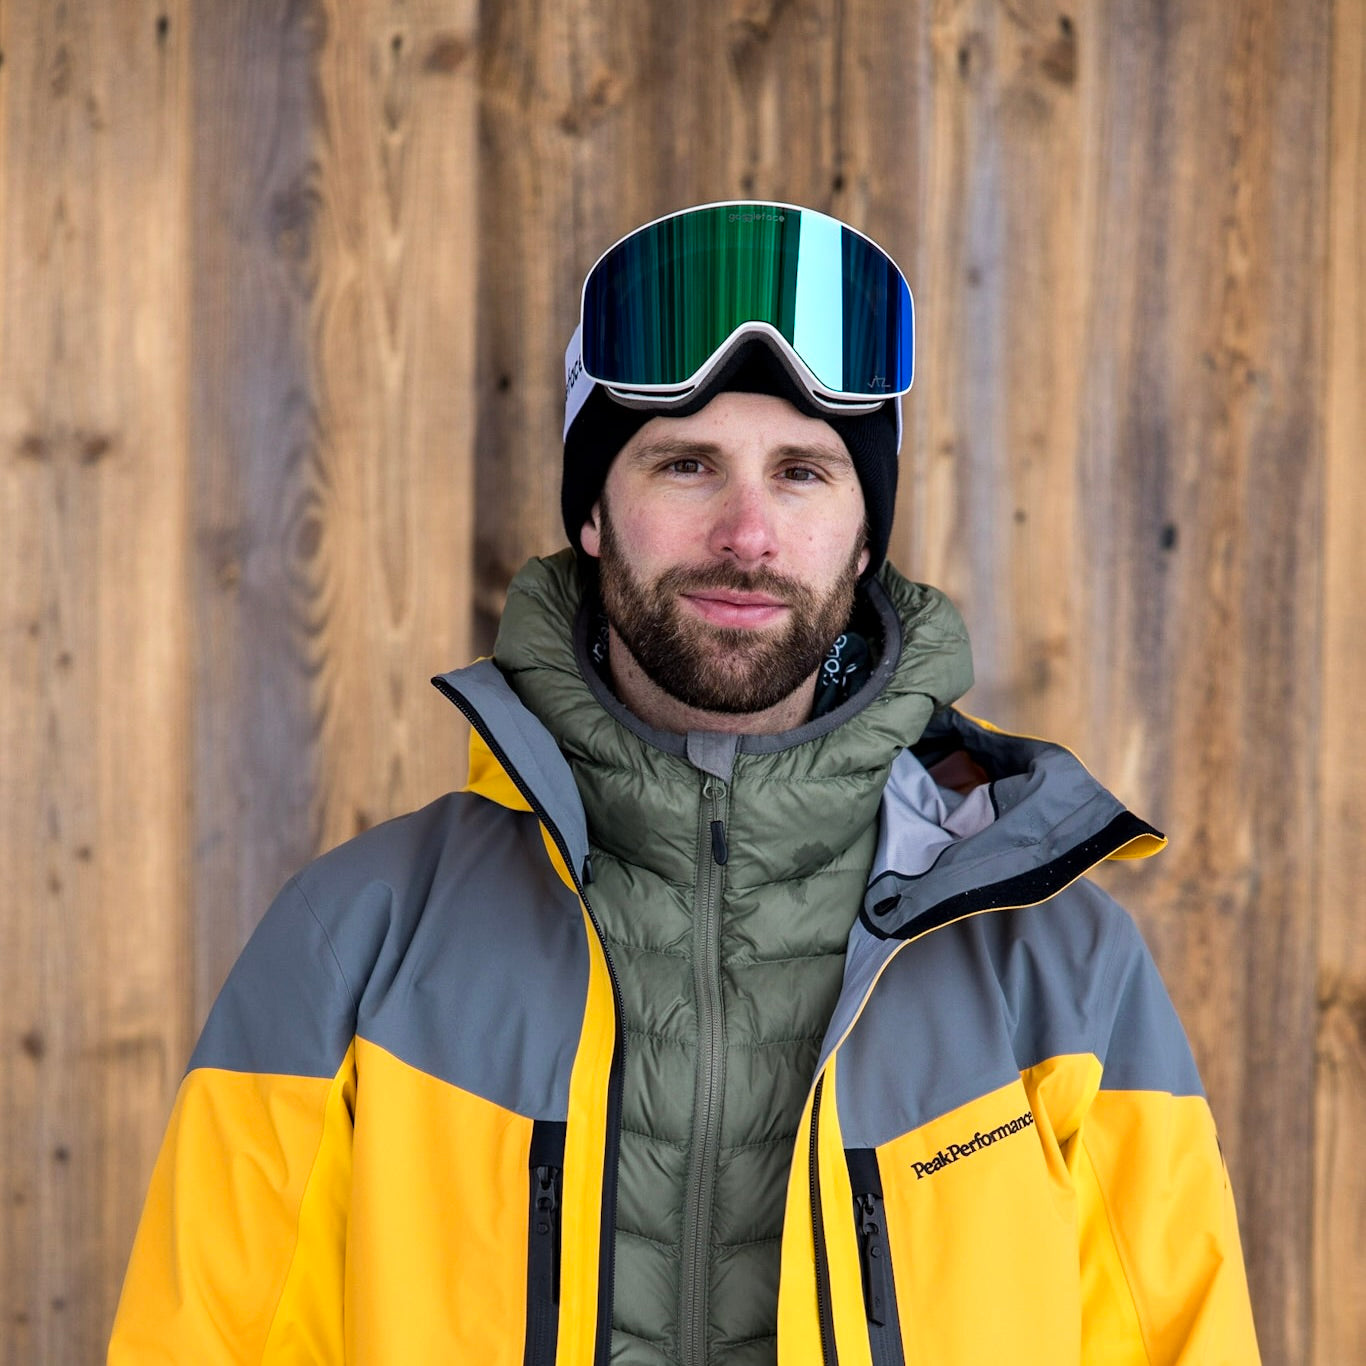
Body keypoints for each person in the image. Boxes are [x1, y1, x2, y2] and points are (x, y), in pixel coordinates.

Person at [109, 201, 1260, 1365]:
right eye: (685, 464)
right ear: (593, 515)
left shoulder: (1060, 975)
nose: (746, 533)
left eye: (802, 472)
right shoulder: (354, 945)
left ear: (865, 536)